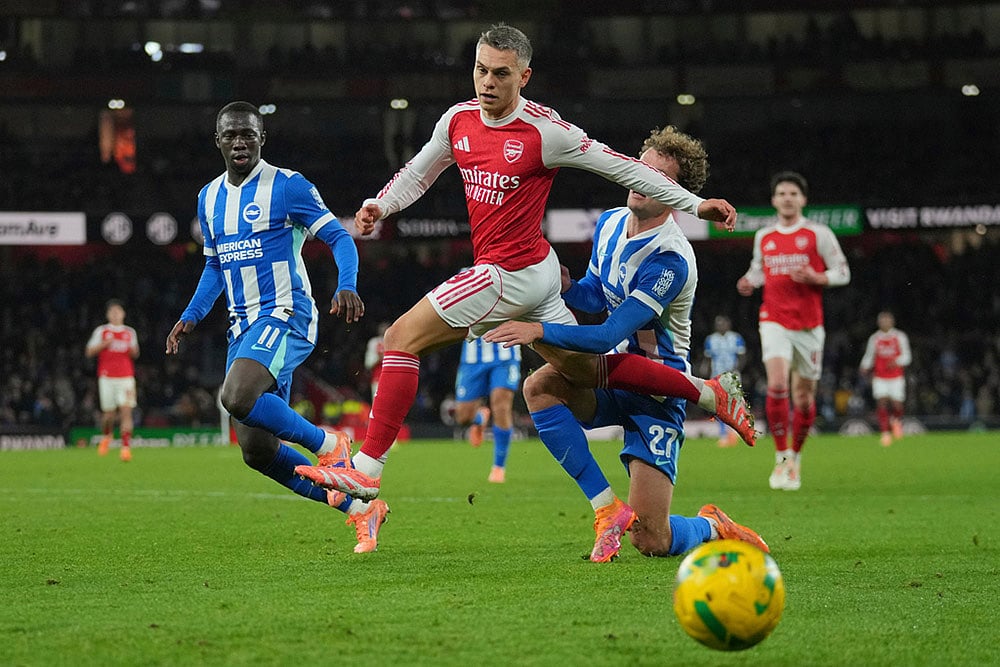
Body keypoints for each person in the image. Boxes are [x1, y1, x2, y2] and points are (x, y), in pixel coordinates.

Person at [294, 23, 748, 504]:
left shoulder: (545, 131)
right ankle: (701, 398)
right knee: (588, 371)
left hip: (507, 274)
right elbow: (419, 171)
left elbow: (625, 167)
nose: (487, 82)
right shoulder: (457, 121)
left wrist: (696, 205)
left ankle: (366, 469)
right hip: (541, 271)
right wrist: (381, 206)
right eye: (480, 70)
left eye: (501, 74)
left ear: (524, 76)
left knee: (398, 338)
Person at [482, 125, 768, 562]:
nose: (641, 179)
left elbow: (607, 334)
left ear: (675, 194)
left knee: (652, 541)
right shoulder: (612, 222)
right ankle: (606, 508)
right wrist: (567, 287)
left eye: (658, 177)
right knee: (539, 387)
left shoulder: (670, 259)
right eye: (641, 168)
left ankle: (712, 526)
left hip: (657, 390)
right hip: (613, 374)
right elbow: (597, 295)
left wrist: (538, 330)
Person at [164, 101, 388, 554]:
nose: (240, 141)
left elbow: (340, 236)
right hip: (243, 329)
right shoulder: (208, 199)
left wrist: (347, 284)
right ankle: (360, 510)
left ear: (261, 139)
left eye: (249, 133)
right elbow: (214, 267)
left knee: (234, 396)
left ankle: (330, 444)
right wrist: (190, 316)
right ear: (218, 141)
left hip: (285, 313)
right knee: (257, 452)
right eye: (231, 134)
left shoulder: (288, 186)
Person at [736, 171, 851, 491]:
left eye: (793, 193)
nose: (787, 198)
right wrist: (749, 281)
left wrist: (818, 278)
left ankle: (796, 457)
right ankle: (782, 455)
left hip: (809, 325)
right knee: (776, 384)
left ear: (803, 199)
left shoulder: (818, 234)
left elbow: (842, 271)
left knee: (803, 398)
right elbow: (759, 269)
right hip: (773, 319)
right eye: (782, 193)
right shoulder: (765, 236)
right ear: (774, 200)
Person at [454, 336, 522, 483]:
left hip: (505, 351)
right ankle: (479, 418)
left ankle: (498, 467)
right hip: (472, 356)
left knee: (501, 406)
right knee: (463, 417)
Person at [85, 299, 140, 462]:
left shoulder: (130, 332)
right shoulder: (101, 331)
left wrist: (131, 349)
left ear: (123, 314)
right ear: (108, 314)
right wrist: (104, 344)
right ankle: (107, 435)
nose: (116, 314)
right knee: (108, 415)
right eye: (112, 312)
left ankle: (125, 448)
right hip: (107, 377)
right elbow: (89, 352)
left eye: (118, 311)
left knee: (126, 411)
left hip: (126, 377)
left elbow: (135, 354)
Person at [859, 310, 911, 446]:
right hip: (880, 376)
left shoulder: (900, 337)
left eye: (887, 320)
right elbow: (869, 355)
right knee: (881, 402)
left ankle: (896, 421)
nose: (885, 322)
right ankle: (885, 433)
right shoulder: (874, 338)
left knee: (897, 405)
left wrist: (896, 361)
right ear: (879, 322)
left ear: (892, 322)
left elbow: (907, 357)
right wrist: (864, 366)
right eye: (882, 320)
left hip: (896, 377)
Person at [703, 314, 747, 447]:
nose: (721, 325)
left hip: (733, 377)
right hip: (717, 377)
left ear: (729, 324)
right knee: (718, 406)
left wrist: (737, 370)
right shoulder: (710, 339)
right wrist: (706, 373)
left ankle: (736, 433)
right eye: (718, 323)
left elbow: (743, 356)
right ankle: (723, 434)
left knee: (736, 405)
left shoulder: (736, 338)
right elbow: (708, 359)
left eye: (723, 323)